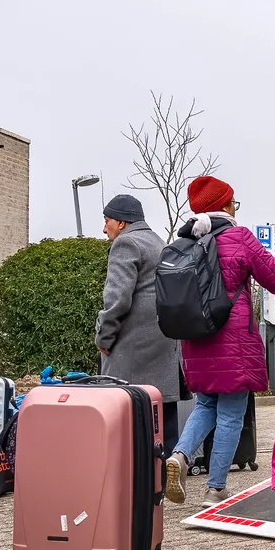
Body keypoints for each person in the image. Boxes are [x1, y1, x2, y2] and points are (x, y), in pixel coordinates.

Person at [164, 176, 275, 507]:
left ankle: (180, 456)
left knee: (206, 405)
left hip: (195, 341)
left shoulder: (186, 243)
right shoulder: (239, 238)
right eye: (233, 202)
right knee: (232, 414)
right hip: (232, 342)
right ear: (224, 206)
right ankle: (215, 488)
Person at [95, 194, 181, 457]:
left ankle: (136, 478)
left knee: (131, 423)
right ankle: (165, 473)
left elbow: (117, 299)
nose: (104, 228)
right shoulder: (159, 242)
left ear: (121, 223)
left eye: (107, 220)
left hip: (134, 350)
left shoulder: (126, 243)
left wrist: (104, 337)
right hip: (164, 344)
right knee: (163, 419)